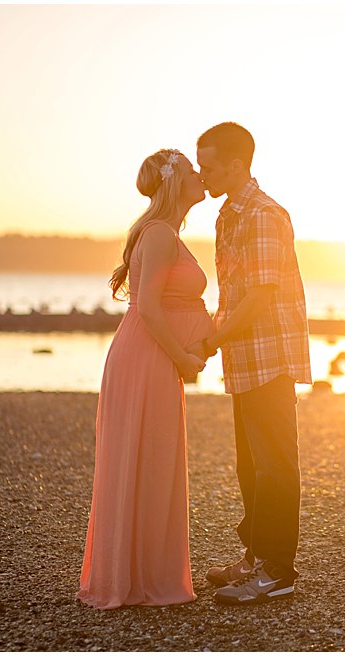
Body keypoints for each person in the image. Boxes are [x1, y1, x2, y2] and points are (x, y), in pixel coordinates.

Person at [77, 149, 212, 609]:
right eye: (193, 170)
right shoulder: (157, 234)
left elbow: (170, 305)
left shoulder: (168, 233)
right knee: (144, 456)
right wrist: (184, 359)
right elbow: (150, 307)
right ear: (175, 182)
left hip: (153, 354)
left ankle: (143, 574)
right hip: (146, 356)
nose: (201, 176)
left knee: (153, 458)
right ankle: (132, 580)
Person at [189, 122, 312, 605]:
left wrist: (214, 339)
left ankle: (278, 571)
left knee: (277, 465)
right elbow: (232, 293)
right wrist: (208, 335)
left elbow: (260, 297)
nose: (203, 175)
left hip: (270, 357)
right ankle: (255, 558)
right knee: (251, 466)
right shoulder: (229, 216)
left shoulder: (263, 215)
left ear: (237, 166)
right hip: (244, 360)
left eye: (210, 166)